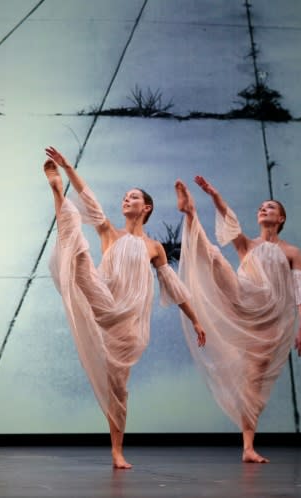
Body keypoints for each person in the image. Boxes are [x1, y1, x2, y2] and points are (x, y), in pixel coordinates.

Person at [43, 146, 206, 469]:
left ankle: (117, 451)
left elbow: (173, 287)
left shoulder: (154, 247)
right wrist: (67, 168)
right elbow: (90, 199)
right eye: (125, 197)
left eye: (133, 198)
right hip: (103, 299)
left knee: (118, 388)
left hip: (129, 324)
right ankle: (58, 196)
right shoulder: (109, 233)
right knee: (78, 242)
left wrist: (196, 320)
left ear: (146, 208)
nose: (126, 200)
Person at [174, 176, 301, 463]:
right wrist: (214, 195)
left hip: (269, 323)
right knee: (215, 257)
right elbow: (230, 223)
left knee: (253, 383)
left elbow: (300, 288)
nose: (264, 210)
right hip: (243, 298)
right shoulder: (247, 246)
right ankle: (191, 213)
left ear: (281, 217)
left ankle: (248, 447)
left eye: (270, 207)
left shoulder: (291, 252)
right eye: (261, 207)